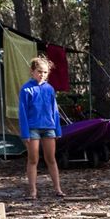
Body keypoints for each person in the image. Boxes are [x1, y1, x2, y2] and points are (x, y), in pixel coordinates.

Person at [19, 56, 66, 200]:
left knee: (51, 158)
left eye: (45, 72)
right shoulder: (26, 89)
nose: (42, 75)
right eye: (39, 71)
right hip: (32, 129)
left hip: (48, 128)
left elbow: (55, 110)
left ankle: (58, 189)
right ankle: (33, 191)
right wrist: (25, 133)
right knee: (33, 159)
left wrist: (58, 129)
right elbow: (22, 112)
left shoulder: (50, 89)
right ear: (32, 71)